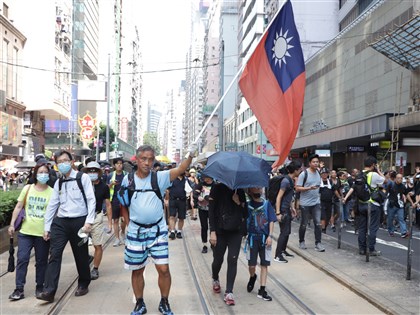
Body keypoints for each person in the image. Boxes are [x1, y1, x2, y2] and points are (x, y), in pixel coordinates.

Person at [119, 144, 196, 315]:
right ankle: (139, 303)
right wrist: (128, 223)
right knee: (137, 269)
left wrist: (190, 154)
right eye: (143, 159)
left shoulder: (159, 177)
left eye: (151, 159)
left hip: (158, 231)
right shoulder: (128, 179)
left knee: (164, 269)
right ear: (137, 160)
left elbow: (182, 168)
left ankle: (164, 302)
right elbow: (123, 203)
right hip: (136, 232)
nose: (147, 163)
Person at [37, 150, 96, 302]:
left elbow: (91, 200)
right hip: (61, 222)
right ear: (56, 165)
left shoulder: (82, 178)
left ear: (71, 161)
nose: (63, 164)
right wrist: (47, 228)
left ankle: (84, 283)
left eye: (65, 160)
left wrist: (89, 221)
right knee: (54, 254)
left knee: (81, 255)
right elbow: (52, 205)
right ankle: (49, 291)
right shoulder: (58, 182)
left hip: (79, 221)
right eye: (59, 162)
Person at [8, 161, 53, 300]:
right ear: (35, 174)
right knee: (22, 259)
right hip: (25, 232)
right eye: (40, 172)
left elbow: (53, 213)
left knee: (41, 261)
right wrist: (11, 225)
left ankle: (40, 287)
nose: (43, 175)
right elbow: (18, 206)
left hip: (42, 233)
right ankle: (19, 289)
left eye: (46, 172)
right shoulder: (27, 188)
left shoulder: (52, 192)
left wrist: (49, 230)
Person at [209, 183, 247, 306]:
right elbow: (211, 211)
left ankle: (229, 292)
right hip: (220, 231)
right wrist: (213, 232)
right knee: (218, 260)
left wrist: (238, 203)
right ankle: (215, 278)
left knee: (232, 259)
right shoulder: (216, 188)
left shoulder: (239, 189)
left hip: (235, 231)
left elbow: (245, 213)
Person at [344, 156, 386, 256]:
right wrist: (379, 171)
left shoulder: (359, 175)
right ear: (373, 165)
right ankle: (371, 249)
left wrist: (345, 198)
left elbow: (353, 188)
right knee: (372, 228)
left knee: (362, 228)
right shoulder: (374, 175)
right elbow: (385, 180)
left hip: (361, 204)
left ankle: (362, 249)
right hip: (372, 204)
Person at [82, 161, 112, 280]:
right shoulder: (82, 185)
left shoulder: (104, 186)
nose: (92, 173)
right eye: (90, 171)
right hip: (83, 218)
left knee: (97, 245)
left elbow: (108, 205)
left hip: (97, 217)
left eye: (95, 170)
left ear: (99, 172)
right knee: (80, 245)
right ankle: (86, 260)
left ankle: (95, 268)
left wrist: (109, 223)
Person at [245, 187, 276, 301]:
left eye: (259, 188)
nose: (258, 190)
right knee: (251, 265)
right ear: (250, 191)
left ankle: (262, 290)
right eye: (255, 188)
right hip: (252, 239)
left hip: (265, 239)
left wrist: (270, 236)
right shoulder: (247, 205)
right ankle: (253, 277)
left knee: (264, 264)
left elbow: (272, 220)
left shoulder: (267, 204)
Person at [296, 154, 325, 252]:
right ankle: (301, 241)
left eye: (317, 162)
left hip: (316, 202)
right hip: (305, 203)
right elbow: (297, 188)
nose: (316, 163)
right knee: (304, 223)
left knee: (318, 223)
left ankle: (318, 243)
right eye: (314, 162)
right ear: (309, 163)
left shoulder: (318, 172)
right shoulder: (304, 174)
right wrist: (309, 188)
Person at [274, 160, 301, 263]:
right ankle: (277, 255)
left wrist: (292, 207)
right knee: (284, 232)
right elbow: (279, 197)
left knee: (287, 232)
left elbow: (287, 196)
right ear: (295, 170)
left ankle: (283, 250)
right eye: (299, 170)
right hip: (283, 210)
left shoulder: (291, 180)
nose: (300, 172)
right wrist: (278, 213)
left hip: (287, 209)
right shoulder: (286, 181)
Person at [108, 157, 127, 246]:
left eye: (120, 163)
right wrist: (111, 184)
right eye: (117, 163)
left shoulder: (126, 175)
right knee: (115, 220)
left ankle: (123, 233)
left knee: (124, 220)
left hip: (124, 201)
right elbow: (106, 187)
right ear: (114, 165)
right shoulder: (110, 175)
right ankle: (117, 238)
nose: (119, 165)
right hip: (114, 200)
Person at [193, 174, 214, 253]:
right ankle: (204, 244)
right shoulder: (200, 184)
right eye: (204, 178)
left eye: (207, 178)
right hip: (202, 209)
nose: (206, 179)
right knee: (204, 226)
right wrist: (198, 197)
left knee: (212, 226)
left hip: (212, 209)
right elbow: (195, 193)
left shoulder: (215, 185)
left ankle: (213, 242)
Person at [166, 172, 189, 239]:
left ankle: (179, 231)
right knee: (172, 216)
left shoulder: (186, 180)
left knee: (181, 217)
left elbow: (190, 190)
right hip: (173, 200)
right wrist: (167, 199)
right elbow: (167, 190)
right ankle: (172, 231)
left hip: (182, 201)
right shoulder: (172, 179)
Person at [386, 173, 408, 238]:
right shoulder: (391, 184)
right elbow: (386, 191)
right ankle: (391, 231)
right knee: (390, 218)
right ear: (395, 178)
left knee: (401, 218)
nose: (400, 179)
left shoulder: (403, 186)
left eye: (401, 178)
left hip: (400, 205)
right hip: (392, 205)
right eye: (398, 178)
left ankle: (403, 232)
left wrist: (405, 198)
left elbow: (406, 193)